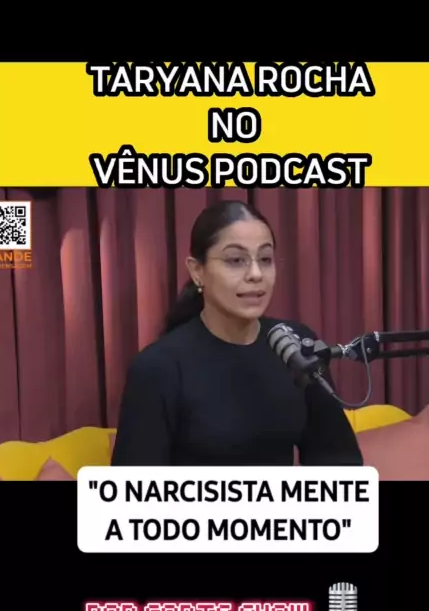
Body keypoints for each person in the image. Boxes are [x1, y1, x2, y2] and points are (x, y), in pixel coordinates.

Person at [111, 199, 363, 466]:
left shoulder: (294, 344)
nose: (256, 274)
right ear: (197, 271)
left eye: (265, 259)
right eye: (235, 260)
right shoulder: (158, 368)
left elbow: (340, 462)